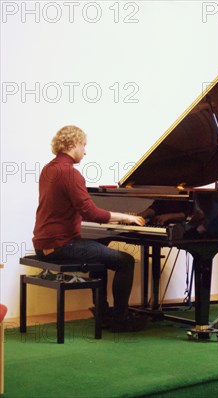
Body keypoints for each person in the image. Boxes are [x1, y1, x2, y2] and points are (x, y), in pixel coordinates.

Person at [32, 125, 147, 332]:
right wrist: (125, 218)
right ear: (73, 143)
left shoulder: (49, 168)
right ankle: (121, 320)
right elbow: (91, 214)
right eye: (84, 145)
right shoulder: (70, 173)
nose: (85, 151)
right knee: (125, 261)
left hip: (45, 243)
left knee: (101, 252)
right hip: (60, 246)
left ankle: (102, 314)